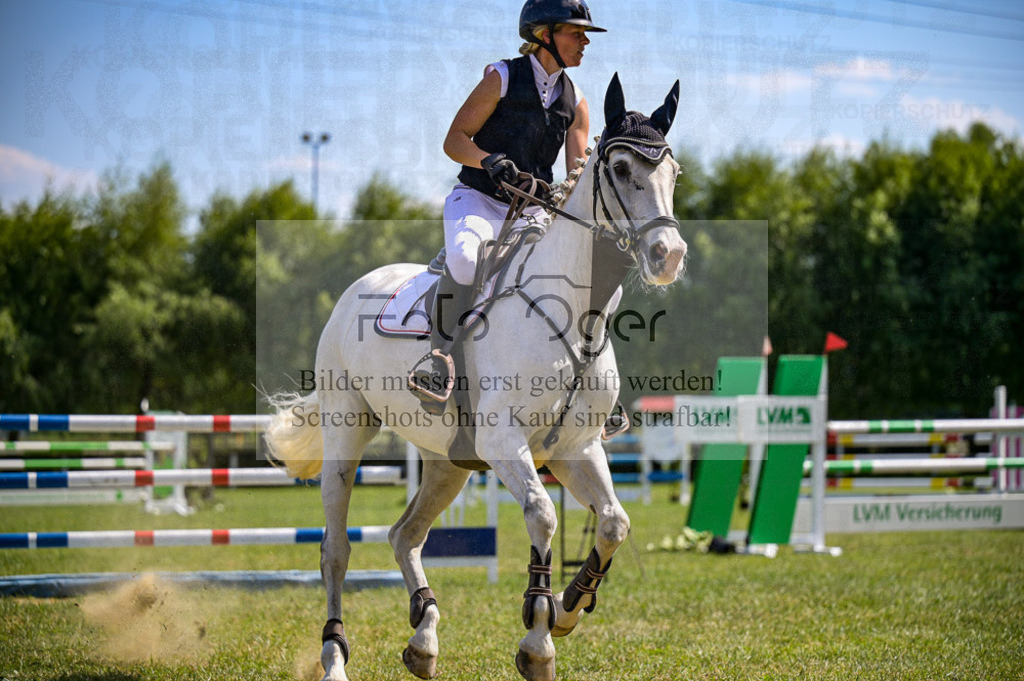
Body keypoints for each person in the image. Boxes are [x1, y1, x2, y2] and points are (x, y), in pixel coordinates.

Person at [409, 0, 605, 408]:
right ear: (544, 34)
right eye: (576, 32)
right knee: (464, 260)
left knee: (568, 269)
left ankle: (592, 379)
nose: (585, 41)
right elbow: (454, 140)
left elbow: (574, 173)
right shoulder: (501, 77)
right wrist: (487, 160)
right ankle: (439, 358)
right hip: (479, 199)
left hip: (533, 211)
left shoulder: (578, 101)